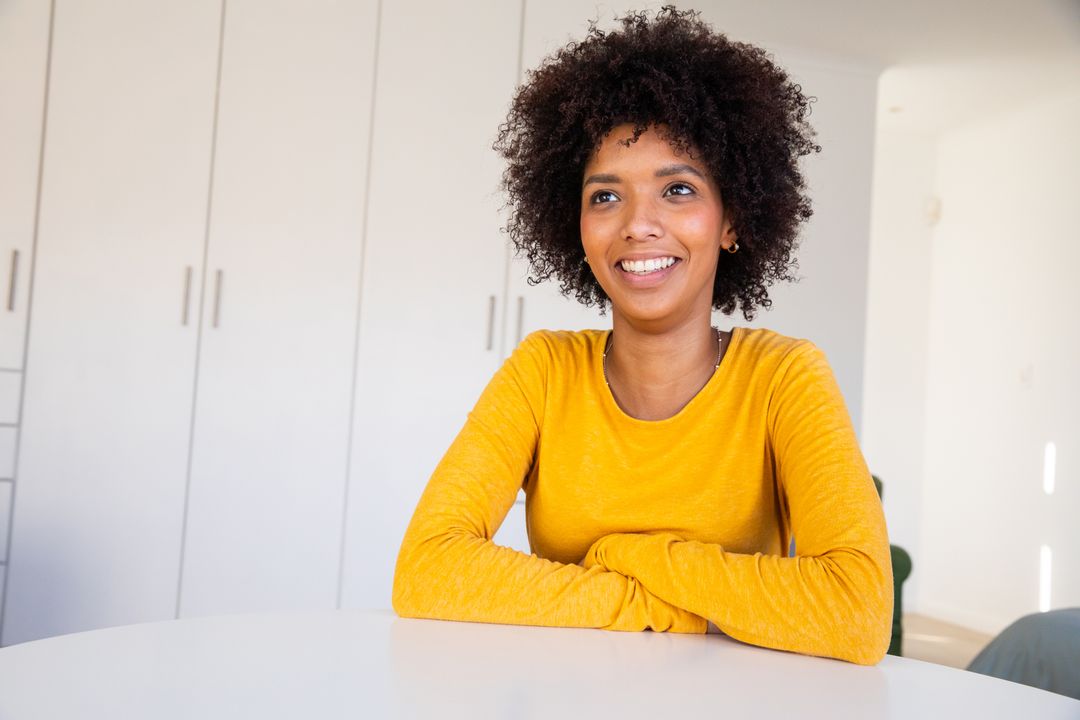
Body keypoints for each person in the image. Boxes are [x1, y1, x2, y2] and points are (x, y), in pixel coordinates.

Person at [392, 7, 893, 666]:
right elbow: (427, 570)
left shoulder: (784, 377)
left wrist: (630, 554)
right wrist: (653, 606)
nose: (638, 225)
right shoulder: (543, 371)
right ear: (572, 223)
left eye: (678, 190)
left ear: (732, 221)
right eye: (605, 197)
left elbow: (856, 611)